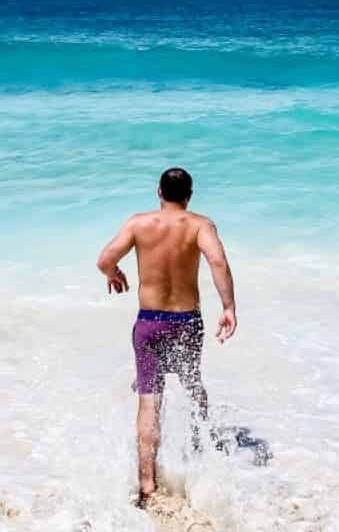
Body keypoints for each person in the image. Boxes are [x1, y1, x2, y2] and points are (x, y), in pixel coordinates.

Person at [96, 166, 238, 509]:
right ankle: (205, 444)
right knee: (192, 383)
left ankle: (148, 486)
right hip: (187, 322)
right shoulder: (200, 224)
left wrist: (114, 273)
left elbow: (104, 260)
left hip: (149, 323)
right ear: (189, 196)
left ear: (158, 192)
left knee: (149, 402)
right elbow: (217, 259)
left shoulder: (138, 223)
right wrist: (229, 306)